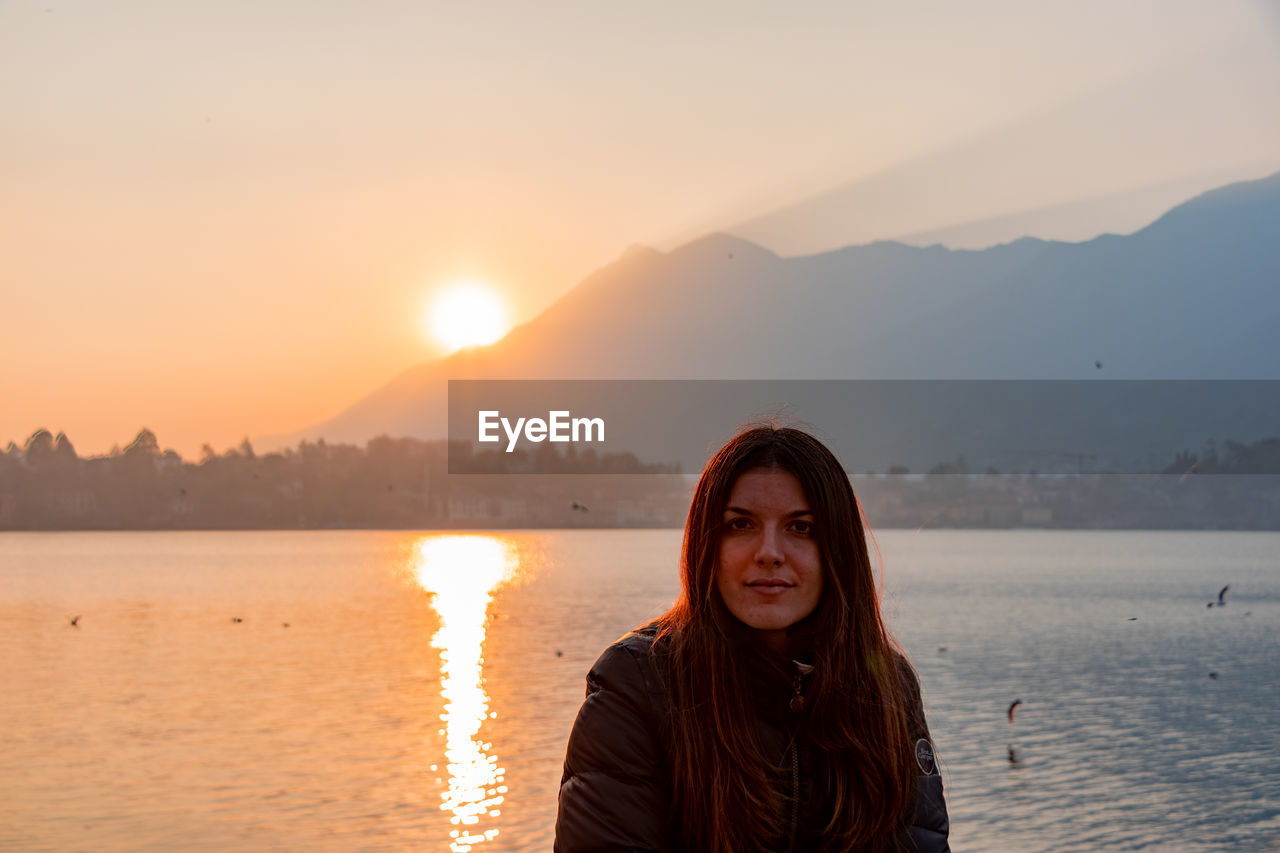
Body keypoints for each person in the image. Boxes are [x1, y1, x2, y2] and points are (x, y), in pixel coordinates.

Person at [554, 425, 949, 852]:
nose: (769, 552)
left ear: (838, 549)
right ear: (706, 545)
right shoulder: (637, 686)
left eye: (801, 528)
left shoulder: (886, 686)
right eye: (740, 524)